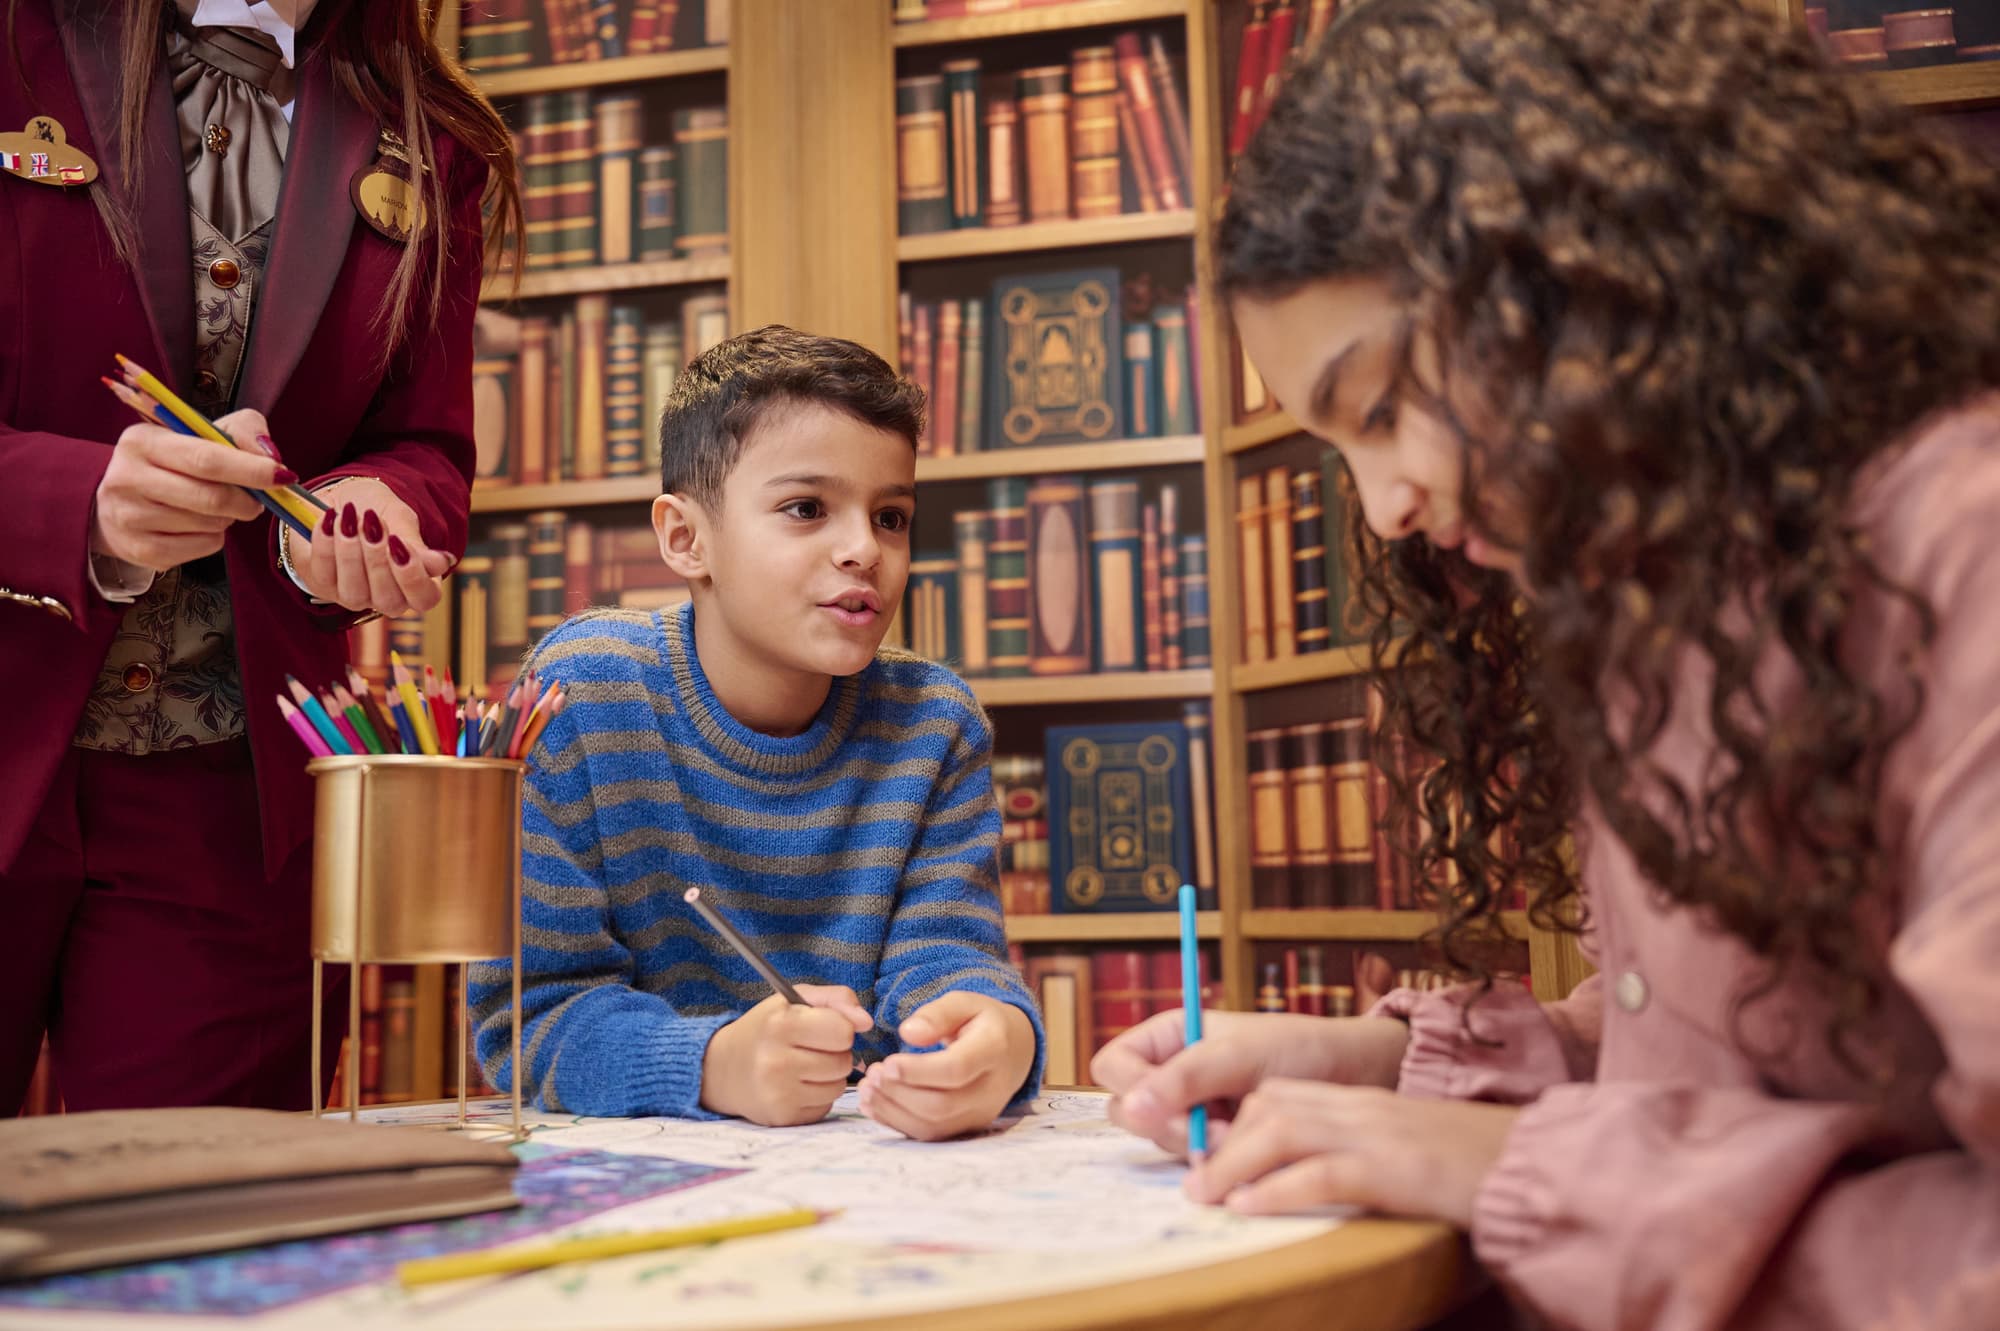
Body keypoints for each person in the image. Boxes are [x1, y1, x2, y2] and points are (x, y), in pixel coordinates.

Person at [1093, 0, 2000, 1325]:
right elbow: (1728, 1063)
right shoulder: (1674, 595)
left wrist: (1522, 1168)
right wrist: (1372, 1062)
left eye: (1383, 405)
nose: (1384, 510)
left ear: (1581, 275)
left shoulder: (1962, 541)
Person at [0, 0, 520, 1114]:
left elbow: (425, 446)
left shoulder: (434, 145)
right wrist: (73, 503)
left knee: (193, 1214)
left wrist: (370, 505)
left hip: (225, 812)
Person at [470, 326, 1043, 1140]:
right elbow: (529, 1017)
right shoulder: (580, 695)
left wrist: (999, 1034)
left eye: (891, 516)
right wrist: (713, 1062)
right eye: (806, 508)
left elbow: (947, 959)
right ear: (685, 538)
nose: (864, 549)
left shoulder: (935, 723)